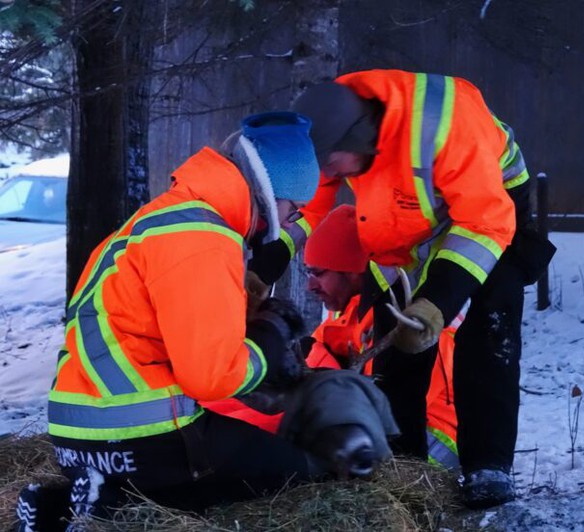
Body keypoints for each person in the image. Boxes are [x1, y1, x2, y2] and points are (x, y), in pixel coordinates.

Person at [247, 70, 555, 509]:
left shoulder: (447, 124)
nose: (328, 176)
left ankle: (488, 466)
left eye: (331, 166)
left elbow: (484, 222)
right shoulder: (334, 127)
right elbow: (308, 205)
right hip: (403, 220)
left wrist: (438, 303)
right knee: (394, 334)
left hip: (489, 211)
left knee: (489, 325)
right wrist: (262, 269)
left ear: (358, 143)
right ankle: (401, 465)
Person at [15, 112, 326, 531]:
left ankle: (76, 507)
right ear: (271, 192)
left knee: (203, 473)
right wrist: (268, 341)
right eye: (294, 208)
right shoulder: (204, 235)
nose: (292, 221)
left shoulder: (161, 221)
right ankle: (98, 509)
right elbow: (211, 379)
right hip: (138, 431)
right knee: (296, 472)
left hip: (78, 434)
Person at [208, 204, 459, 471]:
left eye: (318, 273)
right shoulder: (344, 323)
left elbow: (398, 407)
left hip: (424, 455)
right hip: (362, 435)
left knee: (293, 414)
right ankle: (208, 419)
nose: (309, 286)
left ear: (351, 270)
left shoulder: (411, 326)